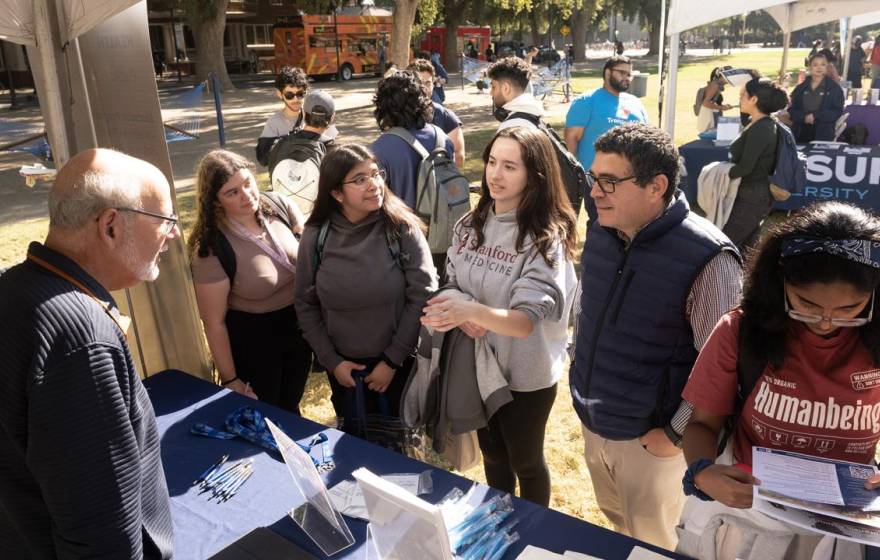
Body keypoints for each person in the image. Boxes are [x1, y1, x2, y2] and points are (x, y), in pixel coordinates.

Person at [570, 123, 742, 550]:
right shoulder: (602, 233)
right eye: (594, 178)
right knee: (618, 532)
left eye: (609, 181)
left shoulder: (709, 258)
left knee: (656, 545)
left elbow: (723, 370)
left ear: (656, 186)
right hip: (596, 425)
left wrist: (675, 434)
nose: (595, 192)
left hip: (653, 445)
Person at [676, 201, 880, 559]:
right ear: (780, 282)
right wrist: (703, 473)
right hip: (748, 515)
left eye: (850, 309)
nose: (826, 322)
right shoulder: (740, 332)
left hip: (845, 526)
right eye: (806, 303)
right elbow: (702, 425)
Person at [0, 148, 177, 558]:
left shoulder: (13, 288)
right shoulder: (81, 339)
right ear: (111, 225)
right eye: (164, 221)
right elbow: (103, 537)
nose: (173, 234)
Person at [421, 126, 578, 507]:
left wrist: (471, 311)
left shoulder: (545, 239)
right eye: (492, 161)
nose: (495, 174)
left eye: (510, 166)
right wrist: (460, 309)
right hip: (476, 365)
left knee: (525, 461)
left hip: (526, 375)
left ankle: (535, 535)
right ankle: (500, 523)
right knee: (493, 455)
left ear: (534, 175)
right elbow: (452, 280)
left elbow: (524, 322)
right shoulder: (470, 223)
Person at [295, 143, 437, 425]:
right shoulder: (316, 236)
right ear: (336, 193)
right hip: (343, 369)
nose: (374, 185)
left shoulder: (401, 228)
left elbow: (423, 295)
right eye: (360, 179)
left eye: (376, 174)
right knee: (353, 445)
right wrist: (332, 362)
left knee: (397, 449)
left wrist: (392, 361)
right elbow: (304, 302)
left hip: (398, 365)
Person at [189, 150, 311, 414]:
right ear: (215, 202)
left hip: (299, 329)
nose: (246, 196)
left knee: (292, 407)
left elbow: (308, 245)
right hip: (255, 342)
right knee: (267, 415)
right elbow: (213, 322)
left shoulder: (279, 206)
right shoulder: (211, 249)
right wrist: (231, 379)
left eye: (247, 183)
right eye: (232, 192)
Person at [564, 55, 649, 225]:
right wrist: (572, 175)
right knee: (601, 224)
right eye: (622, 73)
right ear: (607, 72)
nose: (627, 78)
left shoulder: (635, 103)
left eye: (629, 74)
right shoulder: (587, 101)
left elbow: (646, 137)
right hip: (597, 180)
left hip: (630, 179)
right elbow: (572, 138)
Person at [722, 78, 790, 252]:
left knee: (725, 244)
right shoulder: (760, 124)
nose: (740, 98)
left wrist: (718, 172)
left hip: (752, 196)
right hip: (753, 195)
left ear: (754, 100)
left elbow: (745, 167)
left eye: (743, 95)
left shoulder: (762, 128)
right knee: (747, 249)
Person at [408, 58, 466, 167]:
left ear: (433, 84)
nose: (423, 88)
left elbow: (458, 157)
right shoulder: (397, 115)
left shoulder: (445, 116)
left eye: (428, 83)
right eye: (418, 82)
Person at [256, 66, 309, 166]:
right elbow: (263, 158)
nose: (295, 99)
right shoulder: (273, 122)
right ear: (279, 94)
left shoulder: (314, 115)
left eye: (300, 94)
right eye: (289, 95)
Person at [789, 53, 845, 144]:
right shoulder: (800, 88)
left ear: (827, 67)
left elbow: (837, 112)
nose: (819, 68)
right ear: (810, 67)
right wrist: (804, 117)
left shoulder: (834, 88)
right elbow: (792, 110)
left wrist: (816, 115)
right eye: (815, 65)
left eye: (823, 64)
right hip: (799, 133)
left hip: (823, 134)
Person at [487, 56, 543, 131]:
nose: (491, 93)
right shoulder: (535, 119)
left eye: (493, 87)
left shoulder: (511, 129)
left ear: (506, 88)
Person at [697, 67, 734, 133]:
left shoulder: (718, 85)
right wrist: (722, 107)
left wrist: (723, 106)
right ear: (723, 76)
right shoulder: (715, 86)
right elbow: (705, 103)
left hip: (714, 114)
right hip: (711, 116)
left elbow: (712, 102)